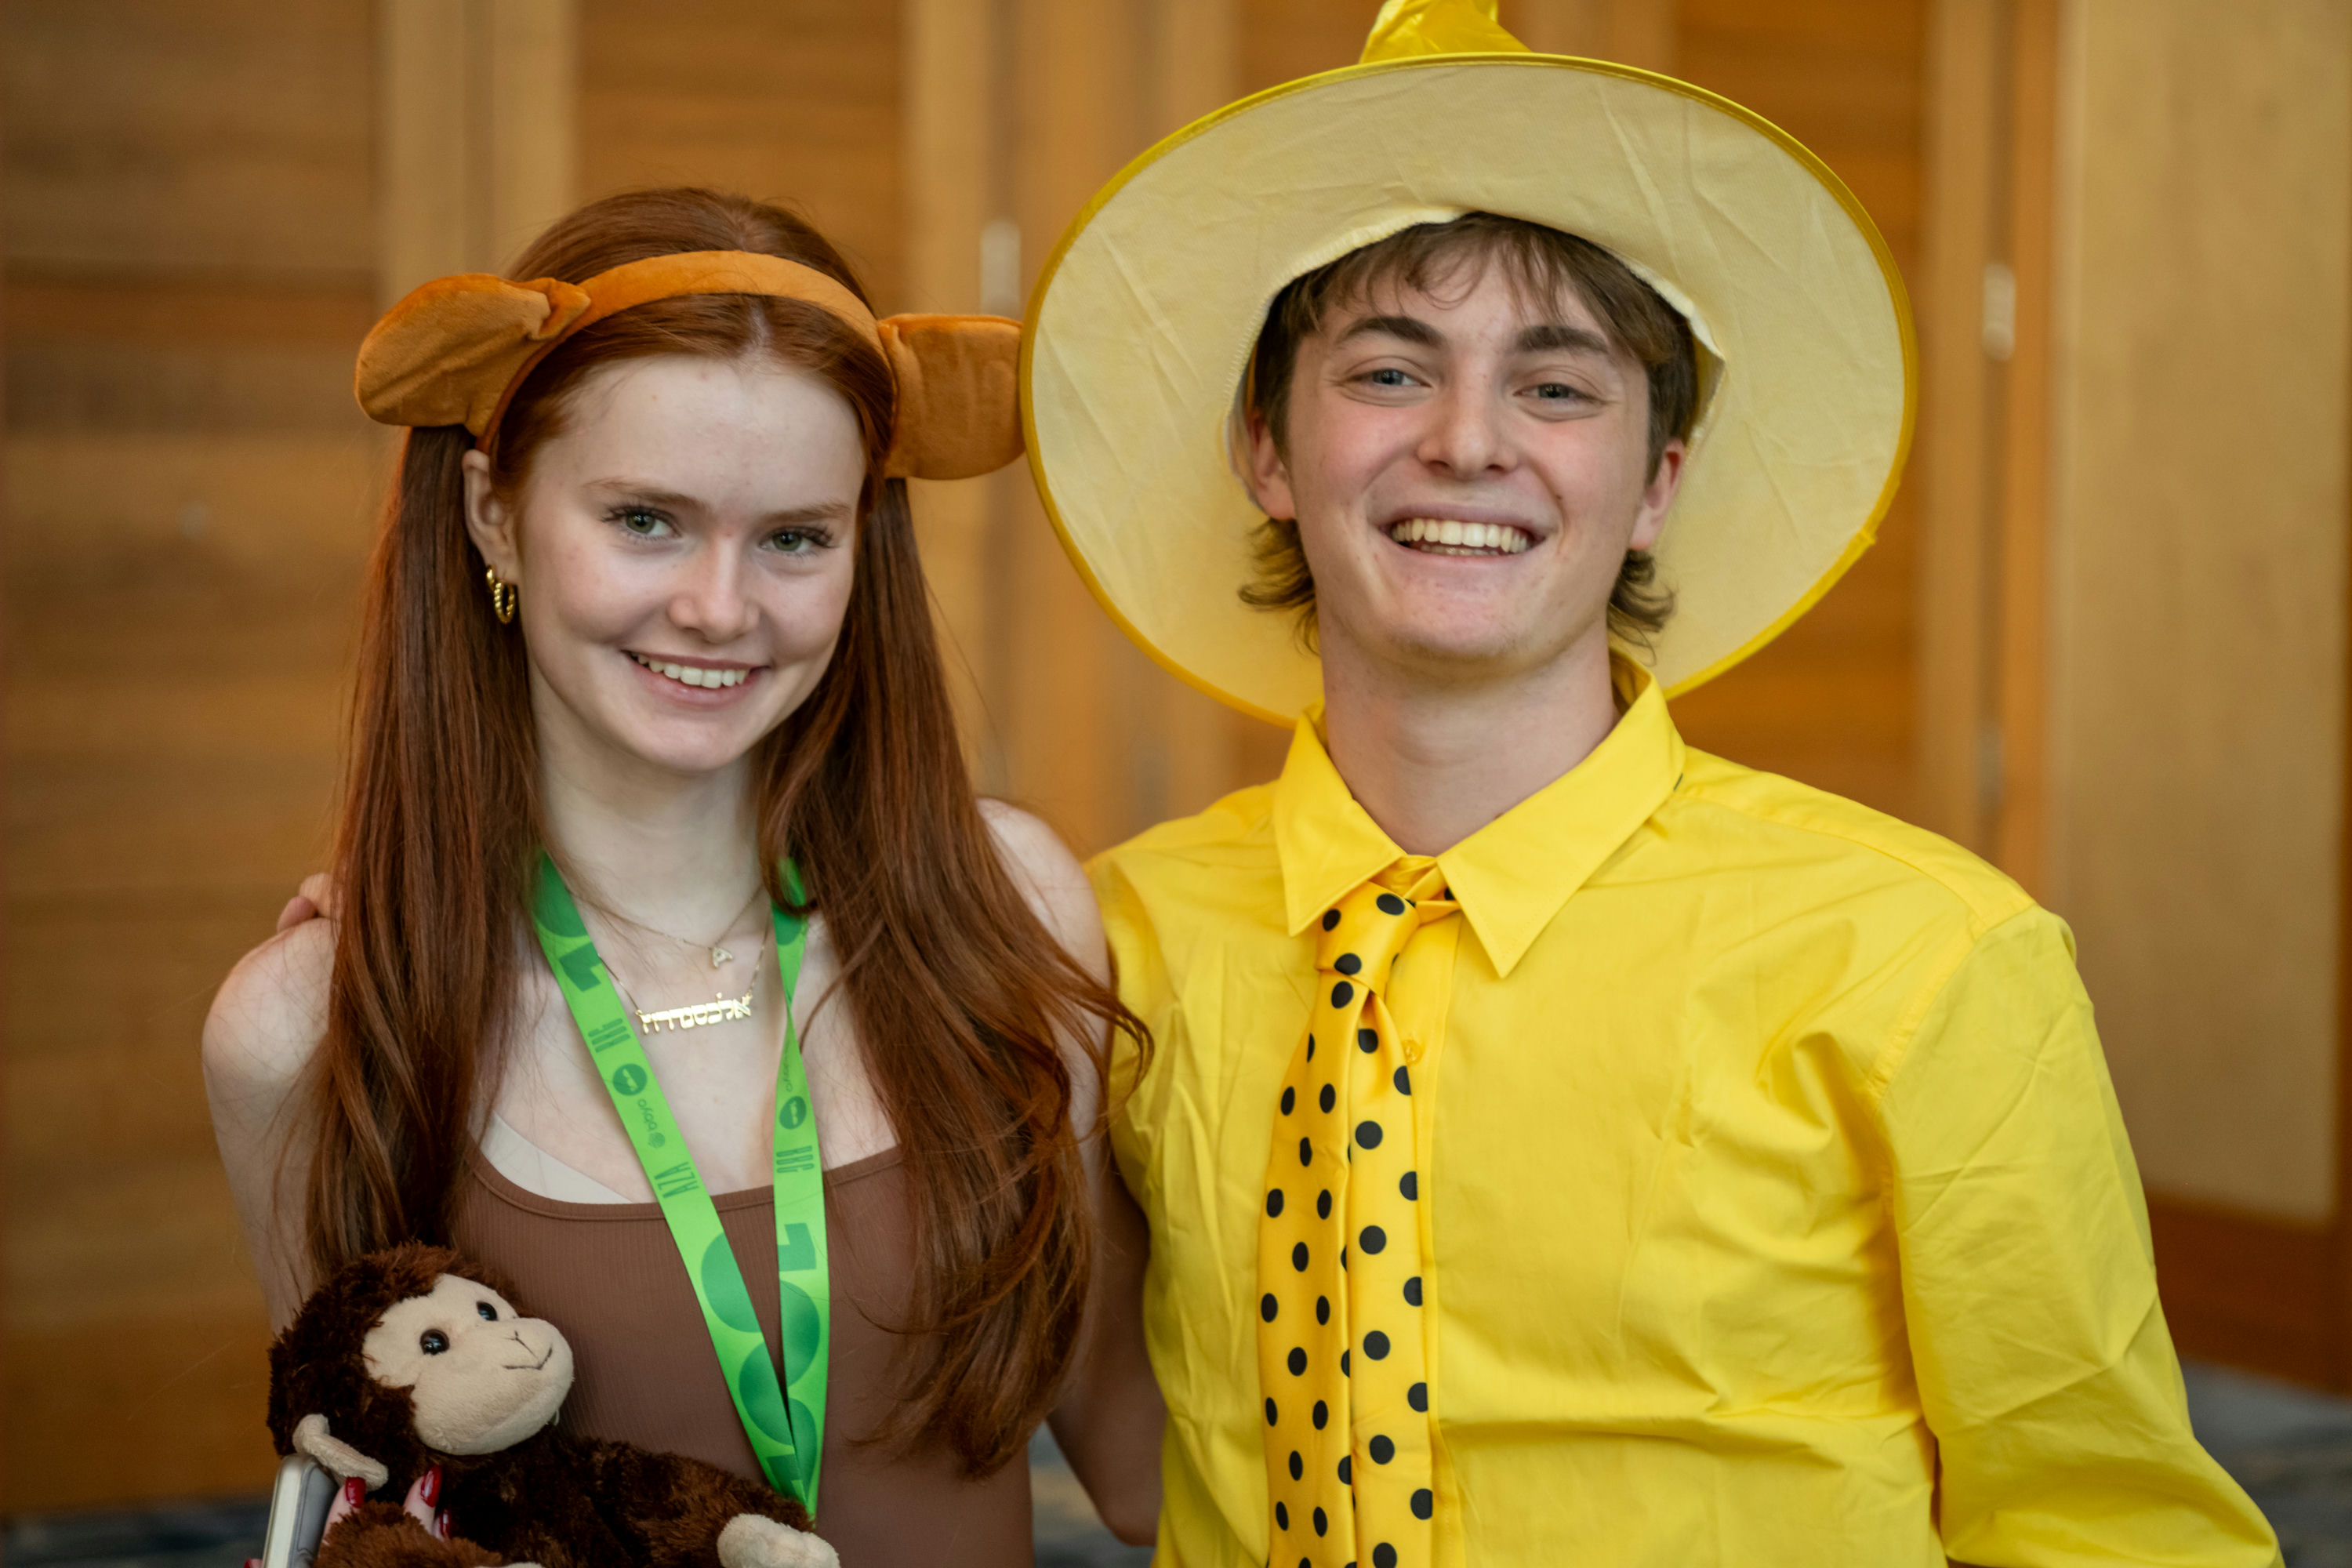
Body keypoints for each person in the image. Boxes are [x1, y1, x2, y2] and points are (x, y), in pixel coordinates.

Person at [1021, 2, 2279, 1564]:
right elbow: (1155, 1473)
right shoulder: (1118, 944)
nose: (1469, 442)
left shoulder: (1927, 957)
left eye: (1557, 389)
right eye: (1391, 372)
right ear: (1268, 453)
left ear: (1655, 486)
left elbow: (2110, 1529)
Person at [203, 187, 1162, 1564]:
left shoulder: (1006, 908)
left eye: (795, 537)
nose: (720, 607)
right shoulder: (310, 1027)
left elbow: (1147, 1467)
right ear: (492, 513)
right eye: (647, 519)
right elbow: (377, 1503)